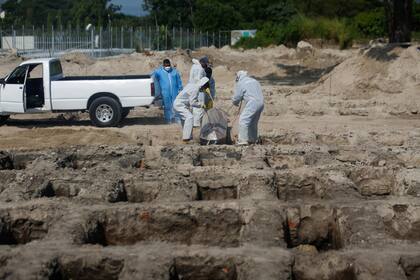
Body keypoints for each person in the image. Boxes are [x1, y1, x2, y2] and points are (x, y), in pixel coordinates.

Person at [232, 71, 264, 145]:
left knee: (243, 120)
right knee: (253, 122)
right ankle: (253, 139)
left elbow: (237, 97)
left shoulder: (241, 82)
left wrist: (234, 102)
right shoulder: (254, 81)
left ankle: (243, 140)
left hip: (252, 103)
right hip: (261, 102)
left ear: (238, 77)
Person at [173, 77, 210, 143]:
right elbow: (192, 102)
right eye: (204, 88)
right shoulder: (195, 89)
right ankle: (186, 139)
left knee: (186, 121)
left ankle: (189, 137)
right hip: (179, 105)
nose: (203, 90)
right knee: (190, 117)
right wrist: (202, 105)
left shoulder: (193, 85)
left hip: (182, 104)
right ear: (203, 85)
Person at [153, 59, 183, 123]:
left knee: (176, 105)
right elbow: (152, 76)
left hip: (175, 92)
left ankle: (177, 119)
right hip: (165, 92)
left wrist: (180, 89)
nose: (167, 67)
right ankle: (168, 120)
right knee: (167, 106)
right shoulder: (159, 72)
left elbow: (179, 81)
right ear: (163, 65)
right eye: (166, 65)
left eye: (168, 65)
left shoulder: (174, 72)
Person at [193, 56, 215, 127]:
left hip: (205, 92)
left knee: (206, 108)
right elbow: (202, 81)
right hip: (200, 91)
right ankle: (197, 124)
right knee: (199, 108)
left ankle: (204, 122)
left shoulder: (202, 70)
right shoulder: (200, 70)